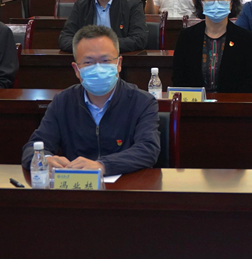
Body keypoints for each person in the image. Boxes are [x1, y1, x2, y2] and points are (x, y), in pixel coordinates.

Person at [21, 25, 160, 176]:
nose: (98, 68)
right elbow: (32, 148)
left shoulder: (142, 102)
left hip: (126, 186)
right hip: (76, 187)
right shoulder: (63, 102)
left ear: (119, 64)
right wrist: (45, 160)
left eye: (105, 60)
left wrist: (102, 165)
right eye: (88, 62)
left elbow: (148, 149)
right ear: (76, 69)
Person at [171, 0, 252, 93]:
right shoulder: (187, 36)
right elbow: (178, 79)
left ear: (231, 3)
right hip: (194, 102)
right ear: (201, 3)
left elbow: (249, 82)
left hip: (232, 102)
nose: (216, 3)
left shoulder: (244, 38)